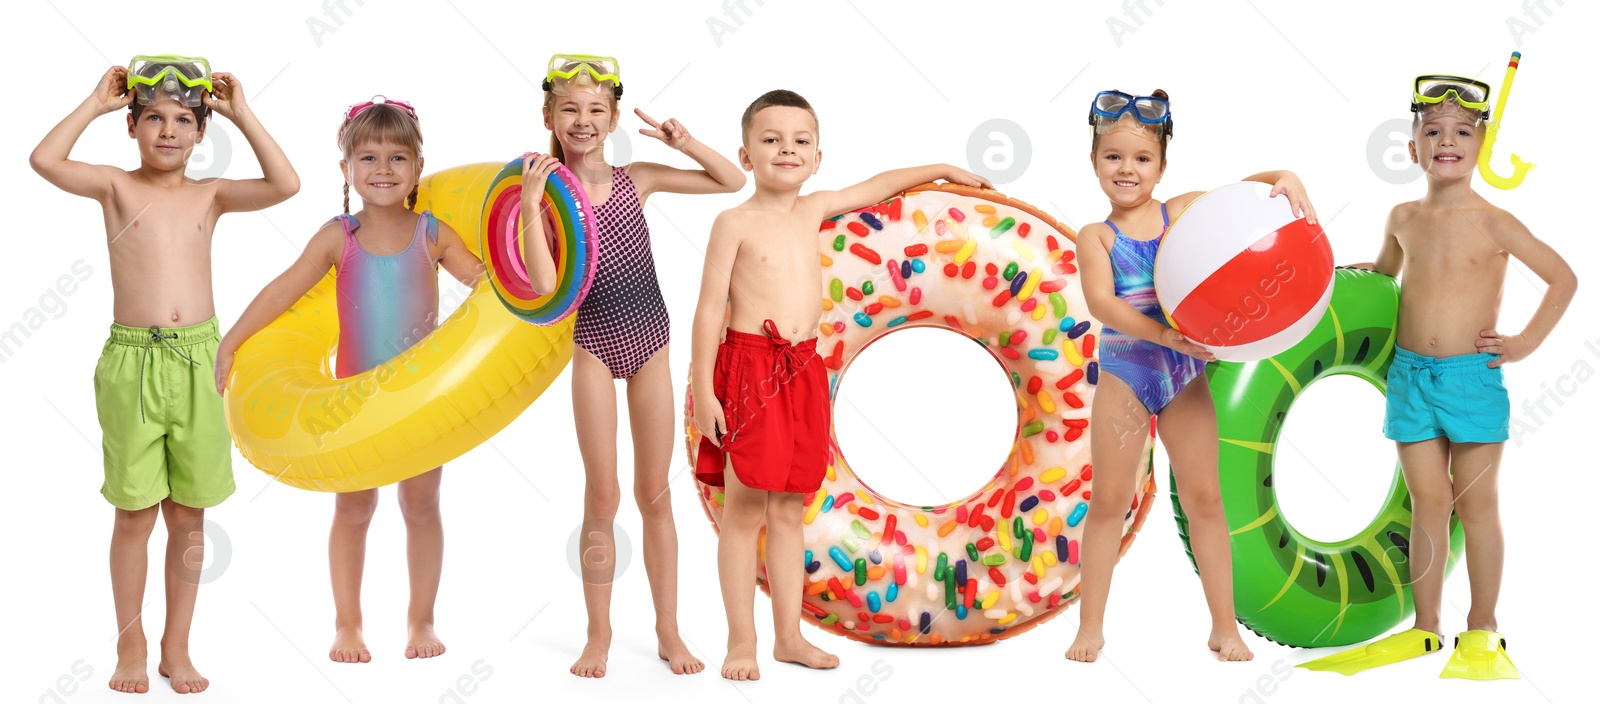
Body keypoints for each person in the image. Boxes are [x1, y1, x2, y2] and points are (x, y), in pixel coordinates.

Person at [690, 89, 989, 680]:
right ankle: (740, 642)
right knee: (745, 507)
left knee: (789, 510)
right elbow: (707, 309)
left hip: (803, 369)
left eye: (800, 141)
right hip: (751, 367)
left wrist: (941, 168)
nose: (786, 149)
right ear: (746, 154)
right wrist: (705, 390)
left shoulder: (814, 207)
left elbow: (878, 185)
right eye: (771, 139)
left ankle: (787, 636)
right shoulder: (734, 221)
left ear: (818, 156)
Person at [30, 55, 300, 694]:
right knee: (133, 515)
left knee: (189, 516)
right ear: (132, 127)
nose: (169, 131)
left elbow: (286, 184)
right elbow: (44, 161)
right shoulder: (115, 186)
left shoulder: (213, 194)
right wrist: (95, 101)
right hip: (132, 364)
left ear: (203, 133)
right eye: (154, 118)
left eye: (184, 120)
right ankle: (131, 647)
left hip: (202, 362)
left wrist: (243, 111)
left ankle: (177, 647)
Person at [1304, 74, 1576, 679]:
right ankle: (1425, 628)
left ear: (1482, 148)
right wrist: (1361, 275)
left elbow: (1564, 278)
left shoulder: (1497, 222)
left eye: (1461, 132)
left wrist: (1525, 341)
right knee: (1427, 502)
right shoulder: (1402, 215)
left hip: (1471, 378)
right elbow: (1387, 271)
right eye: (1432, 131)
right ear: (1413, 149)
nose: (1446, 140)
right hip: (1409, 376)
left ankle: (1483, 627)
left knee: (1475, 503)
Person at [216, 96, 484, 664]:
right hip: (353, 405)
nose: (382, 170)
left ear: (416, 167)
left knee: (420, 505)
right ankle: (348, 625)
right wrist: (232, 340)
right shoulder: (339, 236)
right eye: (367, 158)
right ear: (345, 170)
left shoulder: (432, 233)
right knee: (354, 509)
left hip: (419, 405)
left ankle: (421, 620)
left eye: (396, 158)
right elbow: (283, 290)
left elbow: (486, 287)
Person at [1063, 89, 1318, 664]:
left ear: (1162, 166)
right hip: (1130, 371)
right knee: (1109, 501)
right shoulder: (1096, 236)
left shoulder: (1180, 213)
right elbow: (1104, 304)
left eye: (1141, 159)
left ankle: (1224, 627)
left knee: (1206, 499)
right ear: (1094, 162)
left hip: (1183, 376)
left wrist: (1286, 174)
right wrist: (1165, 337)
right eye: (1113, 157)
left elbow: (1243, 202)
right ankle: (1090, 628)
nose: (1127, 169)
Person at [521, 54, 746, 677]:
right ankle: (599, 634)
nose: (583, 120)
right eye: (570, 109)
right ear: (549, 116)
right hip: (593, 343)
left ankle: (668, 630)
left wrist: (686, 141)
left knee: (654, 494)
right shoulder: (545, 195)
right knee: (604, 493)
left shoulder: (636, 178)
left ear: (615, 117)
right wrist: (532, 199)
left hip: (650, 342)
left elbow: (731, 182)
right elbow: (543, 284)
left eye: (597, 109)